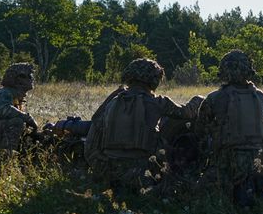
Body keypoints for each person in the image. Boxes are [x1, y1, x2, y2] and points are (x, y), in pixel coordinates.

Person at [84, 58, 198, 191]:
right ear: (154, 80)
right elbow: (186, 113)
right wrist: (198, 99)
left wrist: (101, 170)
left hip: (108, 172)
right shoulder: (159, 102)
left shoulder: (111, 102)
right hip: (142, 175)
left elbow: (91, 144)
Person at [197, 50, 263, 206]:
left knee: (198, 191)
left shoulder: (215, 97)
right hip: (260, 161)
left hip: (228, 162)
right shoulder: (260, 96)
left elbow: (200, 129)